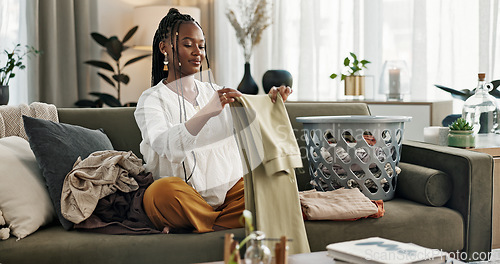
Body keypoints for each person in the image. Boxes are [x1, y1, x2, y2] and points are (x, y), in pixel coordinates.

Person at [134, 8, 292, 234]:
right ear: (164, 48)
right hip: (181, 196)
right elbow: (164, 145)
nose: (197, 52)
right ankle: (220, 222)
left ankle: (200, 224)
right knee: (160, 194)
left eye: (201, 46)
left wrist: (271, 101)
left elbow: (252, 120)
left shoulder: (216, 90)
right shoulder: (151, 99)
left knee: (272, 189)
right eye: (188, 45)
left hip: (228, 194)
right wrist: (206, 112)